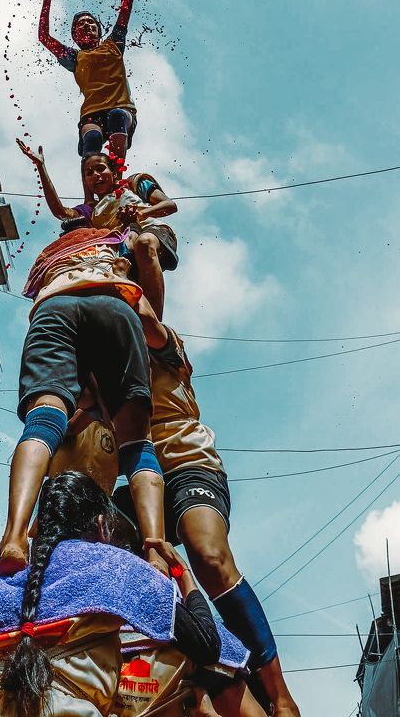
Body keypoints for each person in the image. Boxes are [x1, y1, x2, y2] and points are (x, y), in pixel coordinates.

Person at [114, 300, 301, 717]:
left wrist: (116, 277)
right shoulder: (101, 352)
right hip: (134, 480)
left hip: (188, 465)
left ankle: (279, 694)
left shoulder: (164, 340)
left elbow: (144, 315)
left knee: (208, 556)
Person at [0, 472, 236, 717]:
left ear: (38, 529)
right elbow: (207, 646)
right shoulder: (118, 567)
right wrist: (184, 576)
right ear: (101, 525)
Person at [0, 228, 165, 578]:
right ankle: (155, 550)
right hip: (112, 304)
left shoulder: (51, 256)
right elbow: (146, 258)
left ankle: (14, 536)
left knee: (43, 420)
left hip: (53, 306)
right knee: (137, 443)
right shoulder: (115, 241)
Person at [17, 142, 178, 319]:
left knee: (144, 243)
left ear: (113, 172)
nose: (96, 175)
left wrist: (140, 213)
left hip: (153, 232)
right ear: (86, 182)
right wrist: (41, 167)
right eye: (89, 173)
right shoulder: (91, 211)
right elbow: (60, 212)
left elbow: (169, 205)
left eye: (101, 169)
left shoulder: (133, 184)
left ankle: (155, 323)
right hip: (123, 248)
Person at [29, 0, 138, 158]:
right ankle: (89, 175)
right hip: (92, 113)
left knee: (116, 117)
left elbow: (126, 6)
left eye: (90, 22)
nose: (87, 25)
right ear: (75, 36)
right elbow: (44, 37)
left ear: (99, 30)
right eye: (81, 24)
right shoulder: (74, 57)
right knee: (92, 138)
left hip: (121, 110)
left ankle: (116, 173)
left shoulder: (114, 44)